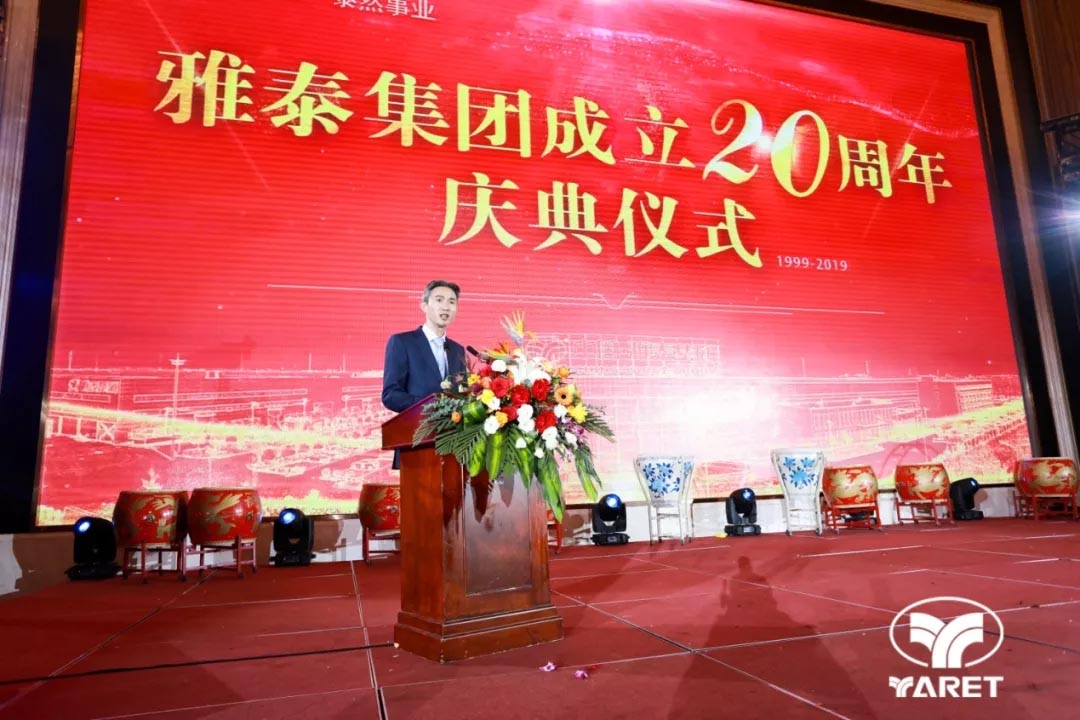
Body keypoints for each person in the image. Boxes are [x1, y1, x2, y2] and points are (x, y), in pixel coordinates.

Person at [382, 280, 468, 413]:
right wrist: (431, 405)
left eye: (451, 302)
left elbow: (463, 393)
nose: (446, 307)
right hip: (416, 425)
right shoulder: (402, 342)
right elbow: (391, 395)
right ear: (424, 306)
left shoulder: (458, 350)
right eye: (439, 300)